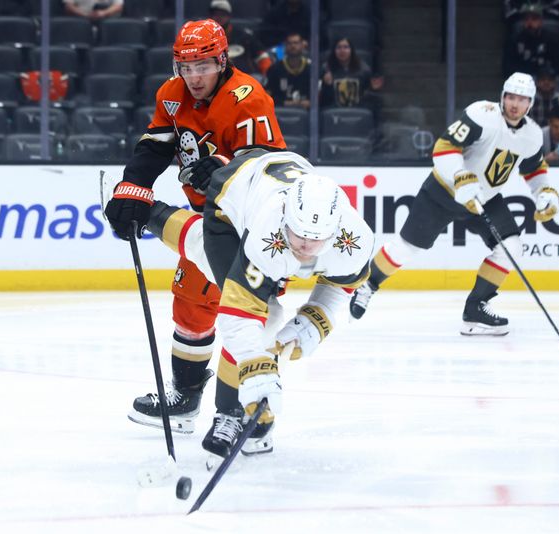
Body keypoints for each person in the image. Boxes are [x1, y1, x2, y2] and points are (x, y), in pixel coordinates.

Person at [113, 148, 374, 457]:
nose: (304, 246)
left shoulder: (355, 239)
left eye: (315, 239)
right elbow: (238, 314)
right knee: (260, 308)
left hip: (268, 176)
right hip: (230, 197)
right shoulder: (269, 230)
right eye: (298, 233)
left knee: (251, 300)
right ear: (285, 218)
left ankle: (151, 214)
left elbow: (340, 284)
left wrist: (312, 324)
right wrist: (255, 369)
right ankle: (229, 414)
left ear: (335, 232)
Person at [103, 19, 285, 436]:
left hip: (252, 227)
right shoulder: (172, 94)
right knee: (190, 303)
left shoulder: (248, 98)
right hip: (208, 222)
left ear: (222, 60)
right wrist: (133, 186)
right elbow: (156, 145)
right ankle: (185, 399)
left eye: (203, 65)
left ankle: (241, 411)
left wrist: (223, 165)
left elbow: (270, 165)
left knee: (249, 318)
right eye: (185, 67)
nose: (194, 76)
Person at [349, 72, 559, 336]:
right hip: (443, 191)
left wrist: (545, 191)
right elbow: (444, 147)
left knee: (511, 246)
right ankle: (367, 285)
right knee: (406, 249)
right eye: (511, 97)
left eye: (522, 99)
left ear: (530, 103)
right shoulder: (481, 115)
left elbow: (533, 168)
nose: (515, 104)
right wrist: (461, 177)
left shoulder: (531, 136)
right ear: (503, 97)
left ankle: (475, 310)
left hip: (485, 199)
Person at [209, 0, 273, 77]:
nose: (218, 17)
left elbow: (262, 57)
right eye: (215, 14)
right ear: (210, 16)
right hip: (217, 79)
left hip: (245, 78)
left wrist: (269, 77)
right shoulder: (205, 38)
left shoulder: (244, 36)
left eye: (223, 14)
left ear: (229, 16)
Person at [320, 37, 381, 112]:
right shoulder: (326, 69)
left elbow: (368, 96)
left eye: (346, 47)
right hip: (333, 111)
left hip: (358, 110)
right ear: (334, 51)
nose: (342, 51)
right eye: (339, 47)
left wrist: (373, 89)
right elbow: (323, 100)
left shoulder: (364, 70)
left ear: (351, 50)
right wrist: (327, 85)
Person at [503, 3, 559, 78]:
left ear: (541, 21)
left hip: (545, 78)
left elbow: (558, 63)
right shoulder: (515, 39)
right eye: (526, 19)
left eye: (534, 19)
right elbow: (508, 65)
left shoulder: (550, 39)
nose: (530, 23)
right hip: (523, 79)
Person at [266, 31, 311, 109]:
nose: (293, 46)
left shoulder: (311, 68)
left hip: (307, 113)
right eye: (289, 43)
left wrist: (310, 102)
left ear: (302, 45)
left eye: (296, 43)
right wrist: (283, 103)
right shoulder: (275, 69)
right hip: (280, 111)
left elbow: (319, 96)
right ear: (285, 46)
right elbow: (268, 95)